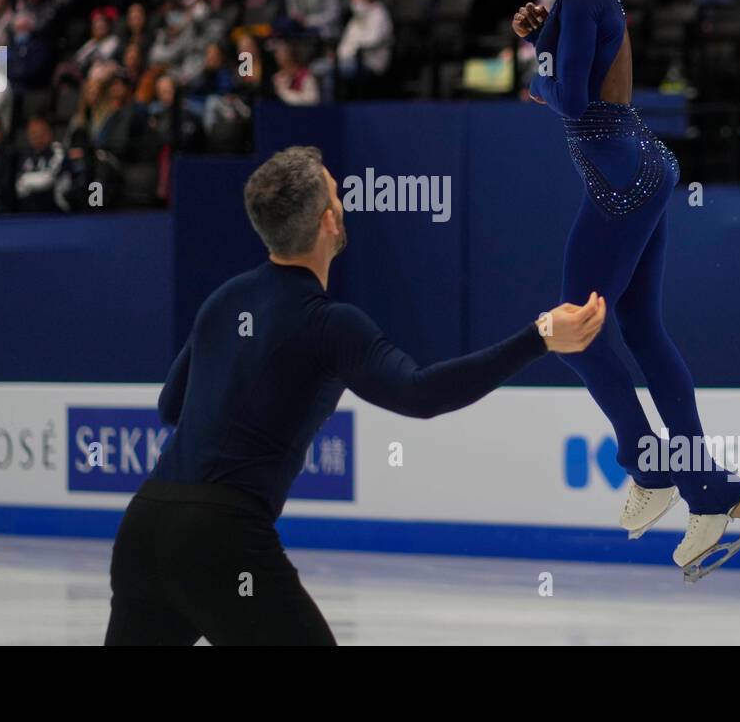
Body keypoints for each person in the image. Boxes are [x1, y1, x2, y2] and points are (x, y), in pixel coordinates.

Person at [105, 146, 607, 644]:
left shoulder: (224, 299)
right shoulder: (330, 324)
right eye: (338, 195)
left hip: (145, 527)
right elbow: (420, 393)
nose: (343, 203)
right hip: (220, 538)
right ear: (328, 222)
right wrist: (538, 336)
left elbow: (171, 407)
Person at [497, 0, 740, 579]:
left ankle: (653, 468)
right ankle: (716, 493)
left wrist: (540, 59)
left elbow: (566, 96)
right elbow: (568, 79)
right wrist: (543, 38)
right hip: (640, 165)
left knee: (574, 330)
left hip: (623, 177)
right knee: (642, 331)